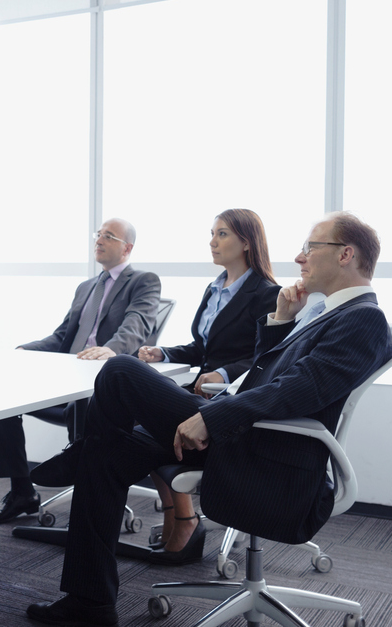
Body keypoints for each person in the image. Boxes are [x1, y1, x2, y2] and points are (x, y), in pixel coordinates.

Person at [26, 212, 392, 626]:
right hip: (243, 429)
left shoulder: (363, 317)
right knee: (104, 456)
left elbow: (298, 390)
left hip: (260, 446)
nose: (299, 256)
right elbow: (270, 375)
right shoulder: (325, 311)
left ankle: (76, 453)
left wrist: (212, 417)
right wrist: (280, 320)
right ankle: (89, 603)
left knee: (119, 371)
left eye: (310, 247)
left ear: (345, 254)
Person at [0, 218, 161, 525]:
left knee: (86, 415)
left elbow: (138, 325)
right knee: (3, 404)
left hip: (102, 383)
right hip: (66, 377)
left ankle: (91, 495)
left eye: (109, 236)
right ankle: (22, 492)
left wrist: (111, 349)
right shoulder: (87, 287)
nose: (99, 240)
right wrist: (24, 350)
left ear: (127, 248)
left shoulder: (143, 281)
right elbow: (62, 336)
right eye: (98, 235)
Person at [135, 208, 280, 564]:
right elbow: (202, 348)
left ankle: (184, 519)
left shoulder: (267, 294)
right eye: (212, 233)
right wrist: (163, 351)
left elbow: (270, 356)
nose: (213, 242)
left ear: (246, 242)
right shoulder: (214, 288)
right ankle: (178, 515)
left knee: (150, 422)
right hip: (200, 392)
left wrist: (226, 373)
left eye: (222, 234)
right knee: (142, 422)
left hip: (233, 400)